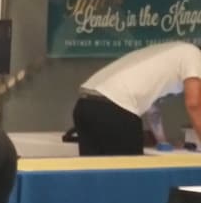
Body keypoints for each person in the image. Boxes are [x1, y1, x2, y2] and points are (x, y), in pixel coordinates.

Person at [71, 42, 201, 156]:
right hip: (115, 110)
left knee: (94, 177)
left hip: (85, 105)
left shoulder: (169, 53)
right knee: (128, 180)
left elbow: (152, 110)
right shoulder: (194, 54)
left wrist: (162, 141)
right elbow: (194, 104)